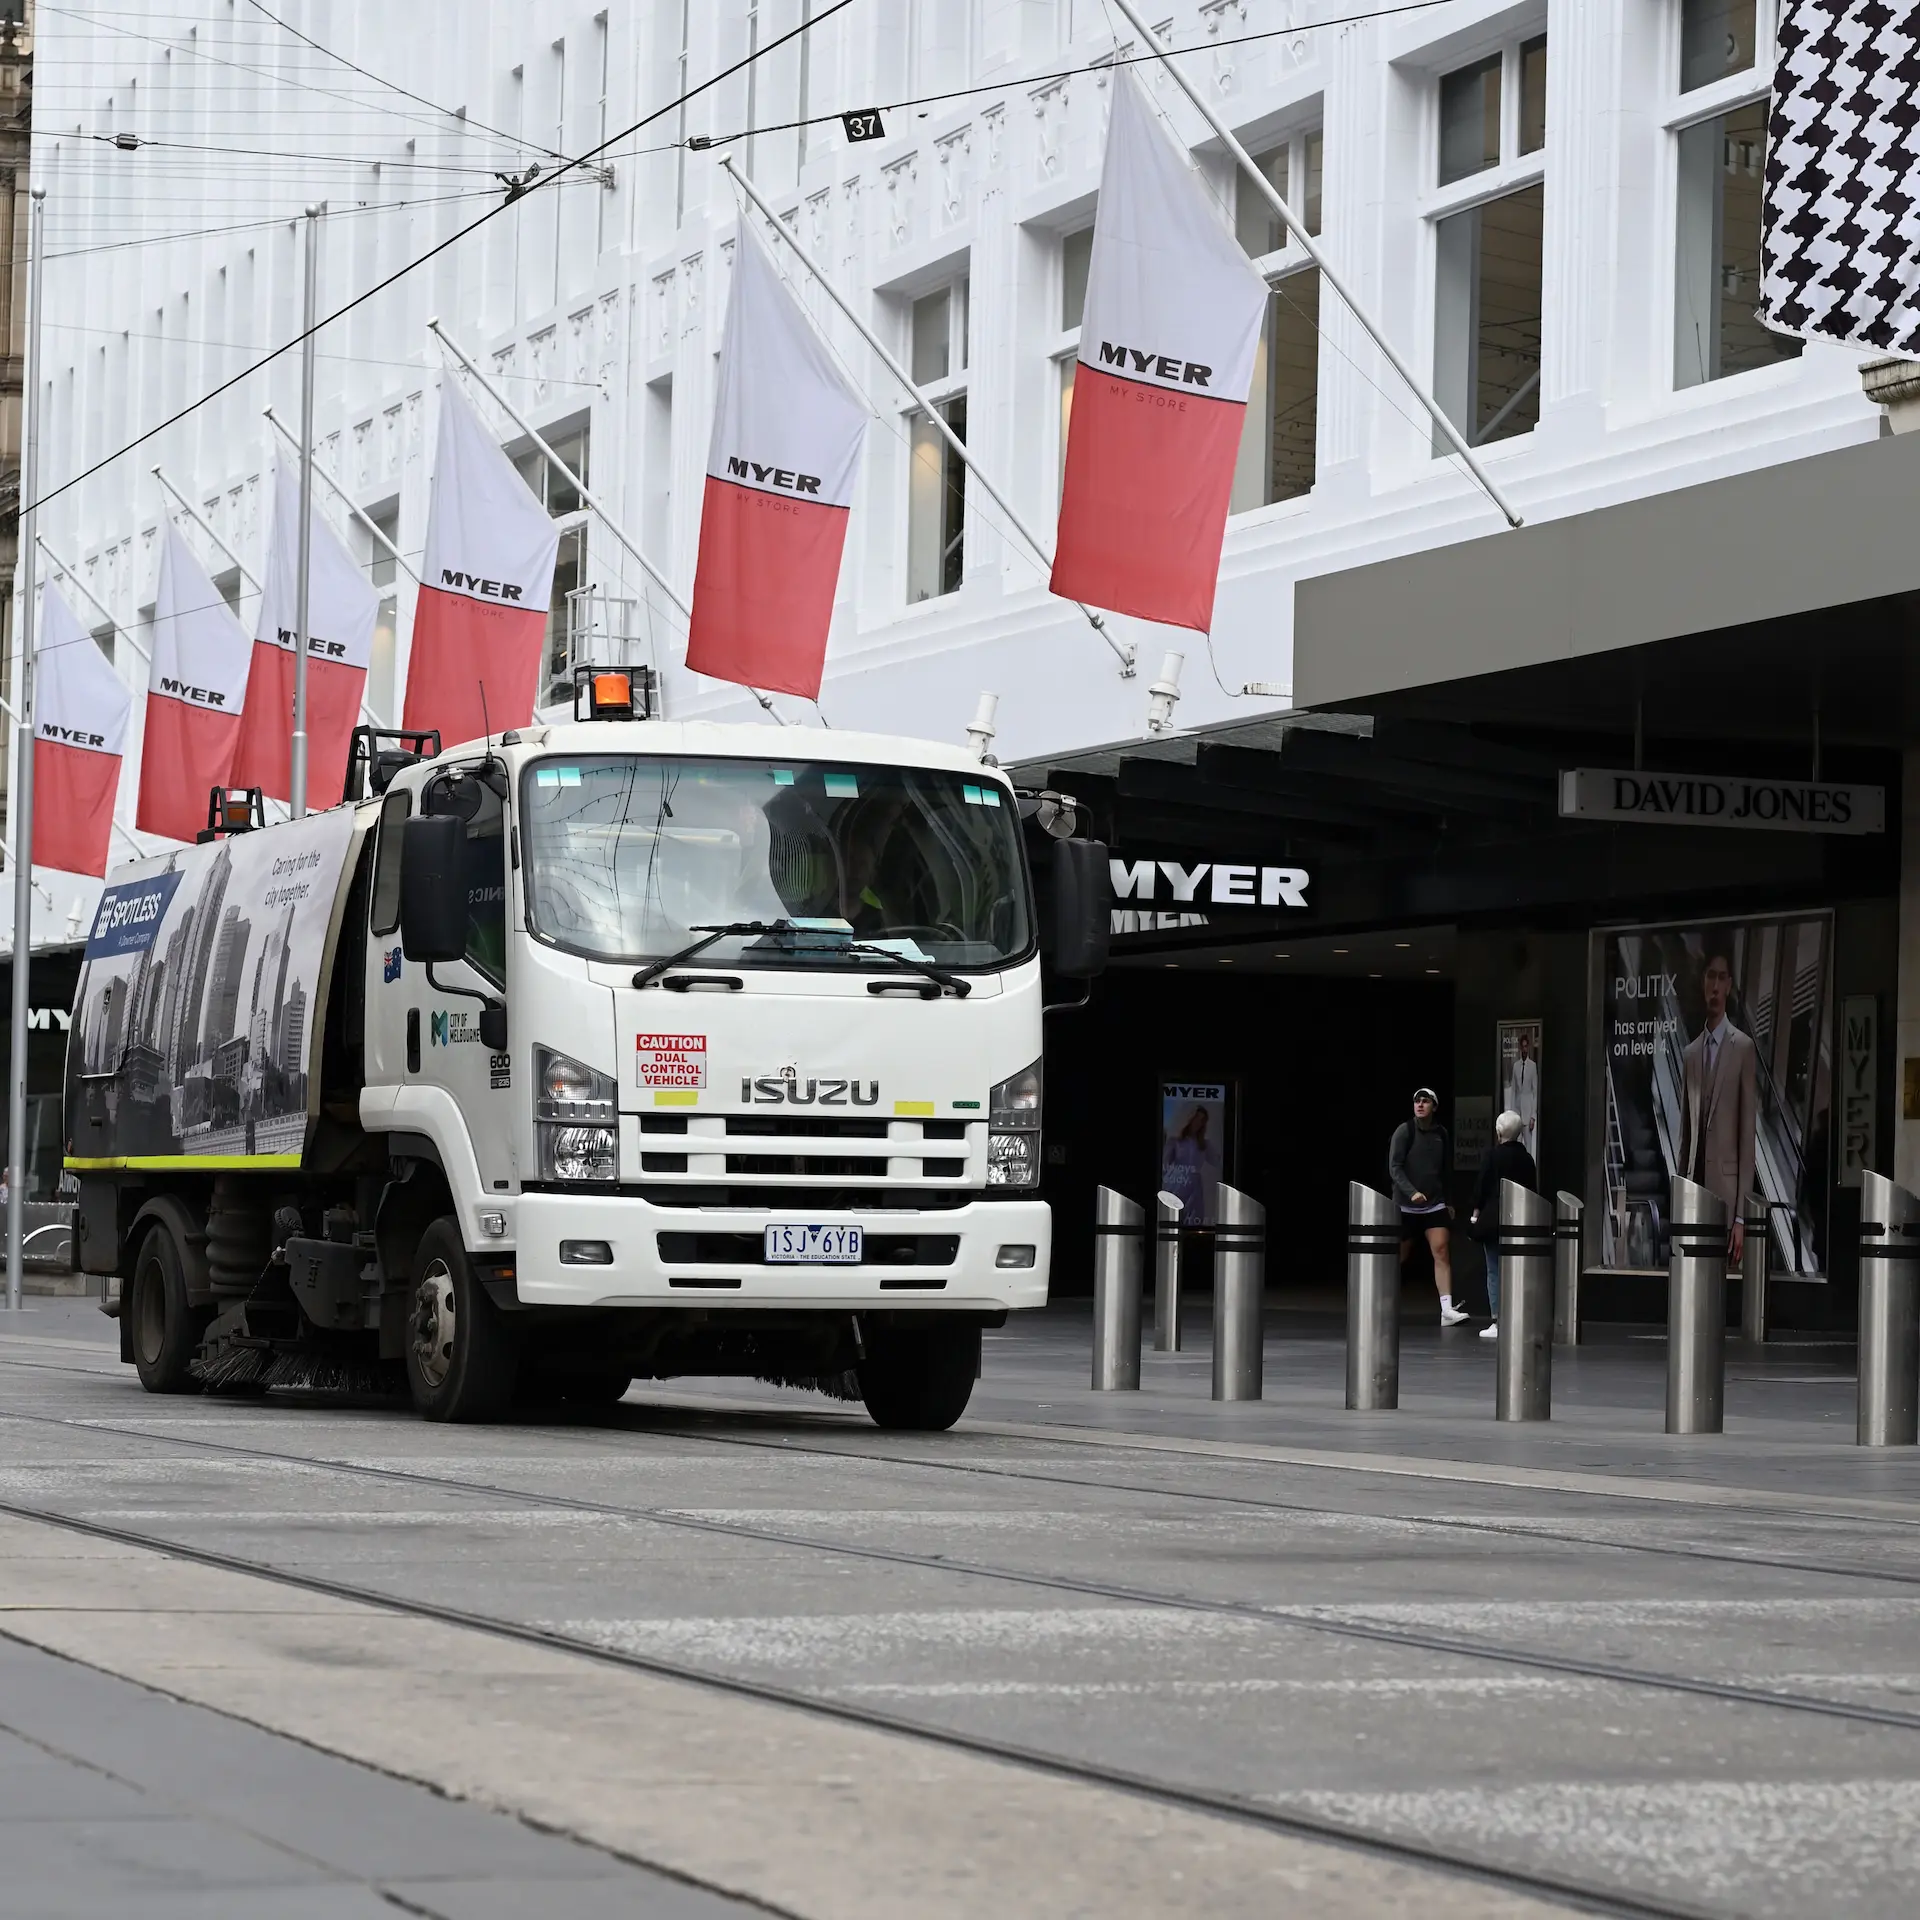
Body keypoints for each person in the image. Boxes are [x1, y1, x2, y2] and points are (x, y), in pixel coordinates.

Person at [1676, 949, 1758, 1263]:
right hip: (1694, 1198)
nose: (1715, 986)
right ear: (1702, 982)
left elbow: (1747, 1140)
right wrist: (1680, 1199)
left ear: (1729, 986)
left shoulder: (1743, 1049)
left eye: (1721, 978)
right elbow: (1685, 1138)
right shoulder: (1689, 1054)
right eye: (1710, 976)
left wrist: (1741, 1218)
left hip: (1727, 1200)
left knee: (1726, 1294)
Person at [1390, 1088, 1462, 1325]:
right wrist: (1411, 1193)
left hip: (1434, 1204)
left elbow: (1446, 1170)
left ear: (1434, 1106)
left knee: (1441, 1250)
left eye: (1425, 1101)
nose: (1420, 1105)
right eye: (1417, 1101)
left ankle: (1447, 1309)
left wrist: (1449, 1201)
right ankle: (1384, 1300)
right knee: (1398, 1255)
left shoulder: (1442, 1133)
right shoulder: (1405, 1131)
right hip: (1405, 1206)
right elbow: (1395, 1167)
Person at [1470, 1109, 1539, 1340]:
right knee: (1519, 1269)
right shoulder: (1528, 1159)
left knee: (1494, 1269)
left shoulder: (1492, 1155)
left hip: (1494, 1219)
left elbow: (1481, 1186)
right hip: (1521, 1218)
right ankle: (1519, 1318)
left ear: (1499, 1131)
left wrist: (1475, 1211)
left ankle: (1498, 1319)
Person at [1505, 1028, 1540, 1159]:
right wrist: (1512, 1112)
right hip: (1517, 1112)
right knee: (1515, 1145)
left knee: (1528, 1147)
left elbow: (1535, 1091)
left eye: (1526, 1047)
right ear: (1520, 1048)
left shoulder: (1532, 1066)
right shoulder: (1516, 1066)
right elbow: (1513, 1090)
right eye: (1522, 1047)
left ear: (1528, 1047)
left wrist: (1533, 1116)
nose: (1524, 1049)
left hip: (1528, 1110)